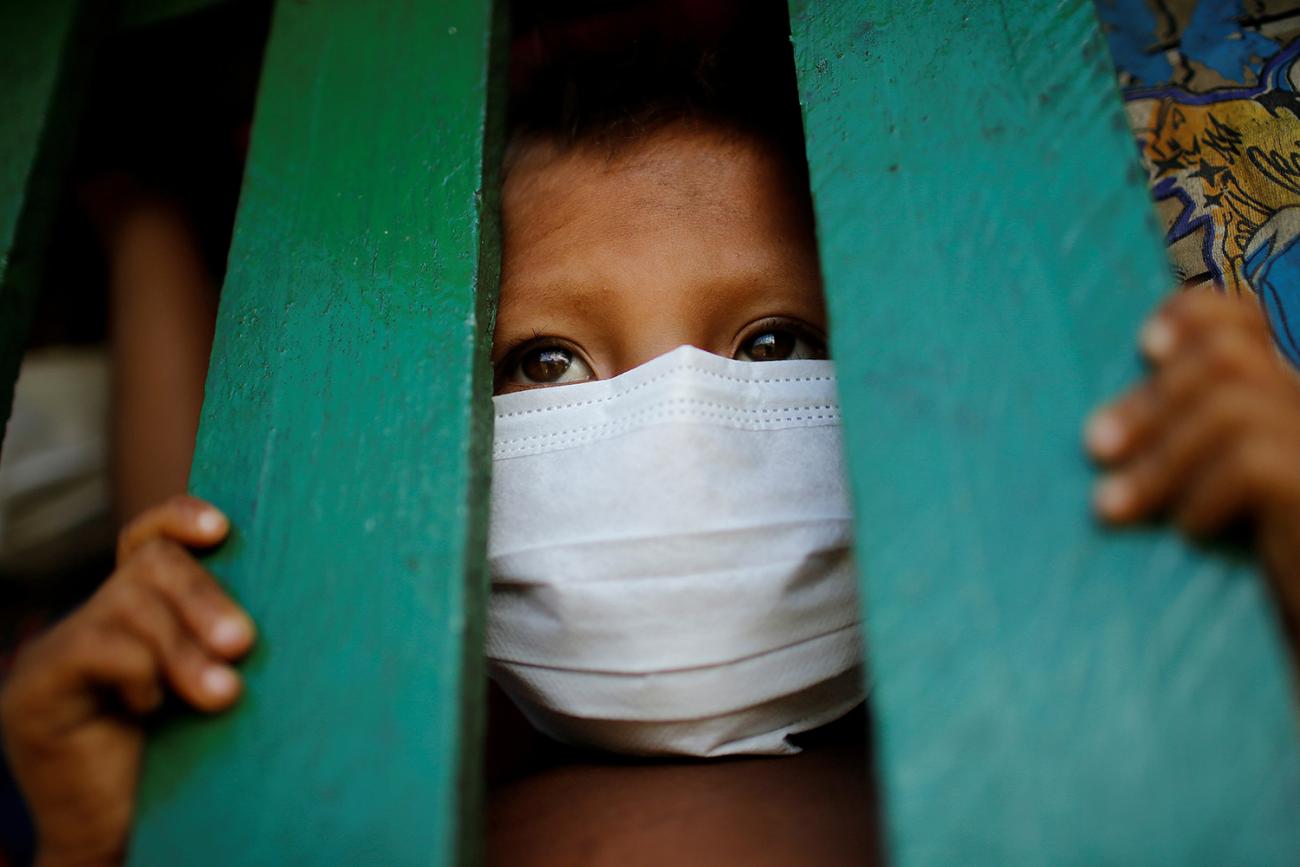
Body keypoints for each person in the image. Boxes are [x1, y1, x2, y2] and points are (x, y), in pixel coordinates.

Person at [5, 11, 1300, 867]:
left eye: (778, 344)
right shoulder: (358, 791)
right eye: (544, 363)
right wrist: (111, 844)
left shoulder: (1123, 716)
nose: (679, 435)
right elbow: (230, 534)